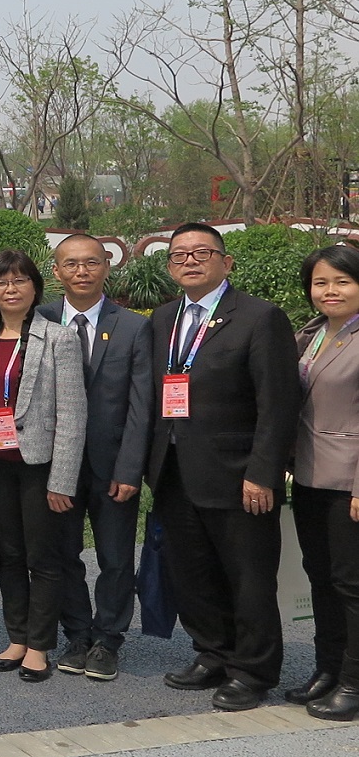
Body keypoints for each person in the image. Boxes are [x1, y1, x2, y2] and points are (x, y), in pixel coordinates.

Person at [148, 222, 299, 711]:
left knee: (249, 578)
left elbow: (278, 403)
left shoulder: (260, 317)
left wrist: (263, 472)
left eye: (202, 252)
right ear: (170, 266)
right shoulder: (164, 318)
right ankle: (212, 652)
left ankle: (253, 671)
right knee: (193, 573)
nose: (190, 261)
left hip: (238, 474)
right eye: (179, 255)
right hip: (174, 469)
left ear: (226, 262)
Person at [0, 251, 86, 683]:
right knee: (10, 554)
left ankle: (39, 646)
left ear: (35, 287)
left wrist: (62, 480)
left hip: (39, 467)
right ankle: (16, 637)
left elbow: (72, 414)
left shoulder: (58, 338)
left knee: (42, 557)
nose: (10, 289)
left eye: (19, 280)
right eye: (1, 282)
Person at [40, 235, 153, 682]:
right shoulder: (40, 320)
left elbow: (141, 405)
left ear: (107, 266)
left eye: (91, 262)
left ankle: (108, 638)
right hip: (56, 467)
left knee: (116, 557)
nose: (81, 271)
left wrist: (130, 468)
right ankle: (77, 634)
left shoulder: (133, 326)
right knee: (63, 554)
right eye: (71, 264)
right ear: (56, 271)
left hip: (112, 465)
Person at [288, 243, 359, 720]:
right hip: (310, 475)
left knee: (351, 584)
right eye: (320, 282)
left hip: (349, 480)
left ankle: (354, 682)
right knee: (321, 577)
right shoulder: (311, 333)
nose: (330, 291)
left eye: (342, 281)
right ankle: (328, 668)